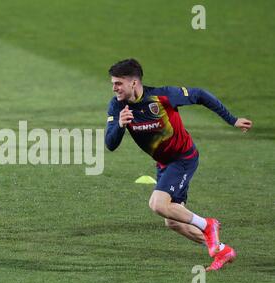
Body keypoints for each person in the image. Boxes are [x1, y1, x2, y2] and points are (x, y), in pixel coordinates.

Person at [105, 59, 252, 271]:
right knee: (173, 220)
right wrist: (119, 125)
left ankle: (209, 225)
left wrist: (232, 120)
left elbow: (200, 94)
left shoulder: (162, 96)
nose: (114, 88)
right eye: (113, 83)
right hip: (164, 164)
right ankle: (221, 249)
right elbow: (110, 144)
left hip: (183, 158)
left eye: (118, 83)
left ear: (134, 83)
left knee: (157, 204)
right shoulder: (117, 106)